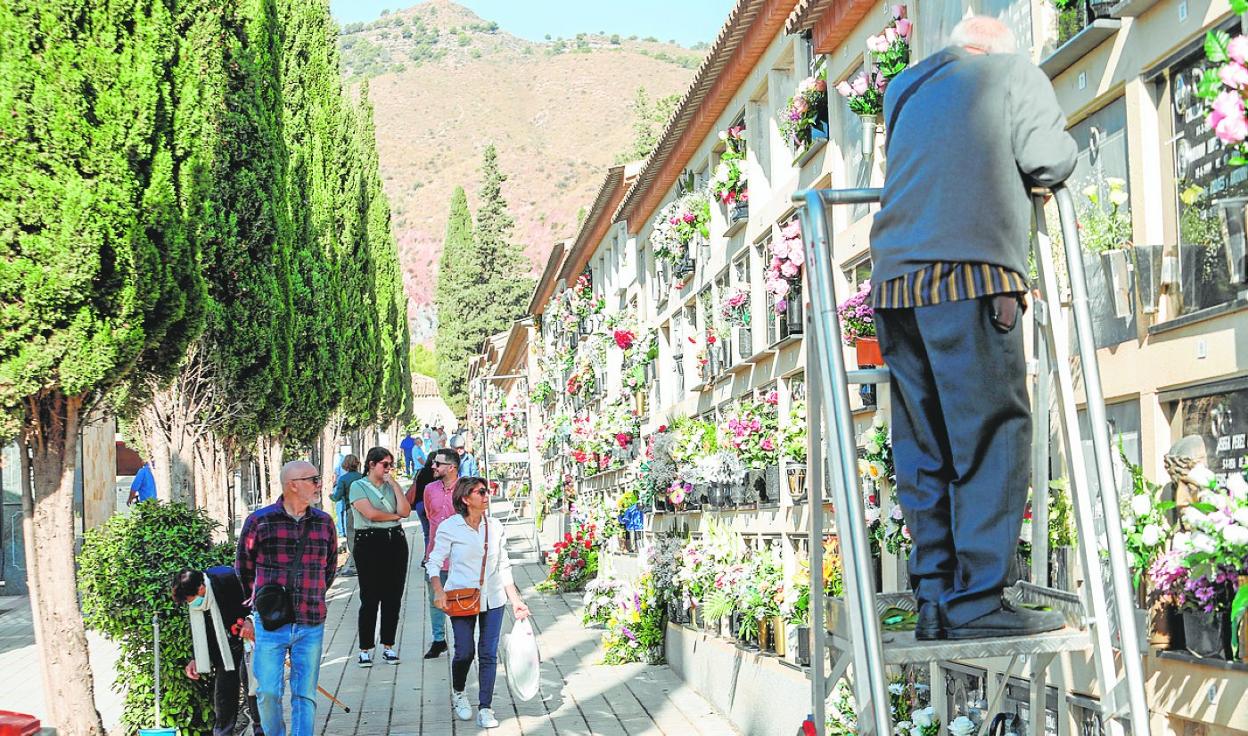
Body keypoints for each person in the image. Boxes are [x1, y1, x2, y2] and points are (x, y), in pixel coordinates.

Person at [866, 16, 1076, 641]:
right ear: (995, 48)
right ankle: (980, 599)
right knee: (992, 434)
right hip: (971, 277)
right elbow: (1049, 159)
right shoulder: (1012, 71)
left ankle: (933, 597)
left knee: (924, 443)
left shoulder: (903, 89)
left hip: (895, 284)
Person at [236, 460, 337, 736]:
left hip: (311, 621)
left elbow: (329, 567)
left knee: (305, 695)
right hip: (270, 624)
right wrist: (256, 607)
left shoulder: (324, 523)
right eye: (313, 479)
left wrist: (313, 594)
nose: (318, 485)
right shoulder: (260, 521)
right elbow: (243, 567)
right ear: (293, 485)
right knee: (268, 691)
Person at [427, 476, 531, 728]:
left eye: (487, 491)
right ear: (465, 498)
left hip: (493, 598)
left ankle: (486, 707)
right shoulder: (450, 527)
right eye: (481, 492)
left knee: (488, 653)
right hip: (461, 598)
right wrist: (438, 590)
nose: (487, 495)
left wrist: (515, 600)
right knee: (464, 651)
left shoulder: (494, 526)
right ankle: (459, 692)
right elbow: (434, 561)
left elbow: (503, 565)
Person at [172, 566, 264, 736]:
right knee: (224, 693)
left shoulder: (227, 578)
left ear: (201, 588)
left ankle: (261, 730)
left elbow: (255, 599)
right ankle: (223, 733)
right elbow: (203, 632)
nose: (191, 604)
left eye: (190, 600)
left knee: (253, 686)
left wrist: (250, 621)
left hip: (248, 640)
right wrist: (196, 659)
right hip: (224, 648)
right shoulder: (198, 602)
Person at [349, 447, 412, 667]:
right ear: (371, 464)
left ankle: (389, 645)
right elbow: (370, 514)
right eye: (384, 464)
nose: (388, 469)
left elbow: (406, 510)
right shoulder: (358, 486)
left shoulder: (391, 487)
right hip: (369, 542)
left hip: (395, 540)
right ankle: (365, 648)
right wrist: (394, 516)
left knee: (393, 595)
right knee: (370, 596)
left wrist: (394, 484)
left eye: (390, 465)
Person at [421, 447, 460, 659]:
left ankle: (460, 639)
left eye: (438, 464)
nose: (433, 466)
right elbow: (430, 515)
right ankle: (438, 640)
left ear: (452, 467)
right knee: (436, 598)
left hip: (460, 556)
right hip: (436, 555)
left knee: (460, 599)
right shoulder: (429, 489)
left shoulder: (466, 488)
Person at [408, 454, 437, 561]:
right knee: (435, 532)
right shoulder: (437, 474)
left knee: (427, 533)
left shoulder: (421, 472)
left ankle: (427, 556)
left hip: (420, 504)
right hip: (431, 505)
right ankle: (432, 557)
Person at [330, 454, 362, 539]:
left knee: (351, 533)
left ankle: (353, 551)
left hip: (351, 508)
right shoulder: (363, 477)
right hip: (365, 509)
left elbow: (337, 497)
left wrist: (331, 496)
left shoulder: (343, 479)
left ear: (345, 465)